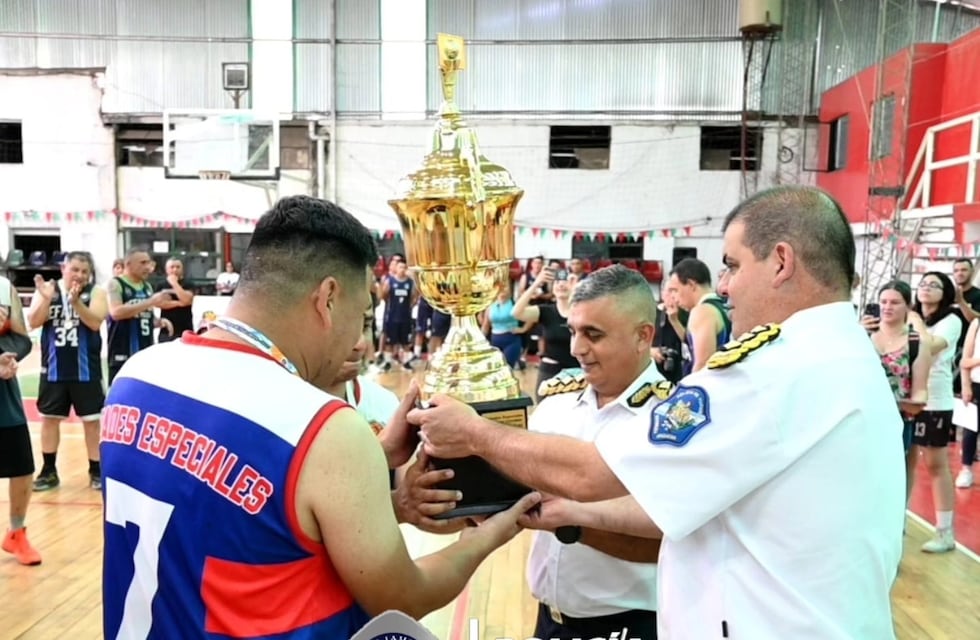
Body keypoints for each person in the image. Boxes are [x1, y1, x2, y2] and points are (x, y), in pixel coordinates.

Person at [409, 186, 905, 639]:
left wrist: (477, 434)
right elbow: (683, 500)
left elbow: (599, 472)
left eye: (732, 265)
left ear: (780, 262)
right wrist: (572, 515)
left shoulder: (774, 368)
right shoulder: (842, 355)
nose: (725, 287)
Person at [99, 195, 539, 639]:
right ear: (328, 298)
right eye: (362, 314)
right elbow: (404, 597)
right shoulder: (321, 426)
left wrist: (384, 480)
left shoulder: (136, 376)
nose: (359, 338)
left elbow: (225, 526)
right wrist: (487, 537)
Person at [519, 266, 665, 640]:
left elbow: (667, 541)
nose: (575, 349)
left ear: (642, 336)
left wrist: (573, 525)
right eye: (573, 331)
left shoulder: (669, 419)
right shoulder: (555, 403)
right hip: (549, 620)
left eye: (593, 335)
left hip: (626, 626)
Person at [27, 251, 108, 491]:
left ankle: (96, 470)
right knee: (50, 421)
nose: (80, 275)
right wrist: (45, 299)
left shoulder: (96, 292)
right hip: (53, 370)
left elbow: (95, 322)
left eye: (85, 271)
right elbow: (33, 321)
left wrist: (75, 303)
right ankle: (49, 471)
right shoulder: (48, 290)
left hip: (86, 371)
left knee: (92, 423)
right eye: (75, 269)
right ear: (64, 268)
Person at [0, 274, 41, 566]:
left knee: (22, 466)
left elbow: (21, 337)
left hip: (4, 394)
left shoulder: (3, 287)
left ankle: (16, 532)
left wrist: (7, 357)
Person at [105, 248, 175, 384]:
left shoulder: (147, 286)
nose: (147, 268)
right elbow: (116, 313)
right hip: (122, 349)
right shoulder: (116, 283)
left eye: (148, 263)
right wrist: (151, 301)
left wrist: (158, 321)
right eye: (142, 263)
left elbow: (144, 314)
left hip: (144, 350)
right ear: (128, 264)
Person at [666, 257, 731, 374]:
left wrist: (687, 390)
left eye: (675, 290)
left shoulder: (702, 312)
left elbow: (702, 365)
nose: (674, 298)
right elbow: (691, 344)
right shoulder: (721, 305)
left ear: (691, 284)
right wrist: (674, 321)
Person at [158, 257, 195, 342]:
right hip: (166, 328)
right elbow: (160, 304)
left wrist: (174, 283)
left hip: (185, 328)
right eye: (172, 267)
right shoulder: (161, 285)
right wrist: (179, 303)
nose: (175, 269)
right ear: (166, 270)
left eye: (178, 267)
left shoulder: (188, 284)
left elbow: (187, 300)